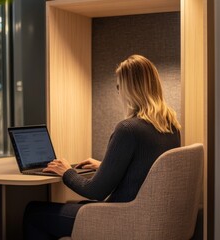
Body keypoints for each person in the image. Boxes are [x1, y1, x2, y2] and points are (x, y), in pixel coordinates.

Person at [23, 54, 181, 239]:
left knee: (33, 212)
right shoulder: (171, 126)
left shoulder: (128, 129)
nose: (118, 91)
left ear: (129, 89)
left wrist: (66, 171)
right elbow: (147, 171)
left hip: (122, 218)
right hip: (148, 217)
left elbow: (95, 191)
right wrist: (106, 167)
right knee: (74, 205)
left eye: (118, 86)